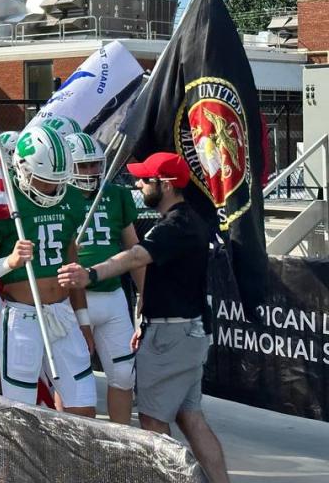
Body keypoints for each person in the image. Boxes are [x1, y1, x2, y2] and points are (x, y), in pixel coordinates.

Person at [58, 152, 229, 483]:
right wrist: (143, 316)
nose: (137, 183)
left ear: (164, 185)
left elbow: (135, 256)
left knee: (152, 422)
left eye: (144, 179)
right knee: (191, 417)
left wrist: (89, 274)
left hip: (171, 337)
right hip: (186, 332)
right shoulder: (191, 220)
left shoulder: (174, 226)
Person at [0, 126, 96, 416]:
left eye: (57, 180)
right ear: (22, 168)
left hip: (62, 314)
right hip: (23, 318)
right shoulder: (5, 203)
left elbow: (71, 260)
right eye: (45, 179)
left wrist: (83, 319)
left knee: (84, 408)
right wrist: (8, 262)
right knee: (20, 414)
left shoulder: (69, 197)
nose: (52, 188)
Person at [66, 132, 141, 425]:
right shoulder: (57, 197)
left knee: (123, 375)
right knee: (74, 379)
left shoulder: (115, 194)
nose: (90, 172)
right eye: (83, 166)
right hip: (71, 299)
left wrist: (144, 293)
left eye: (94, 165)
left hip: (111, 296)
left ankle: (119, 443)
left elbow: (134, 248)